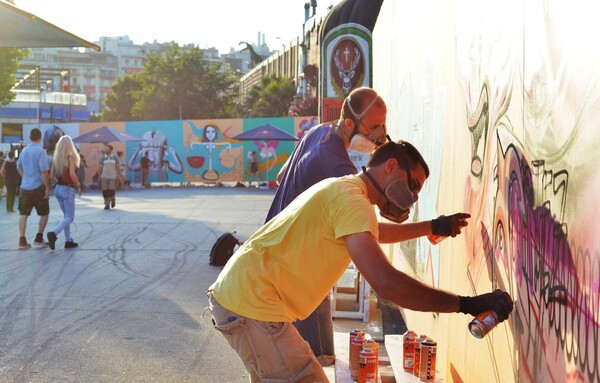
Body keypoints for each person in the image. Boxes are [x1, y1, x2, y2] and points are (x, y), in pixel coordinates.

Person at [207, 140, 514, 382]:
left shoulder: (347, 192)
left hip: (241, 299)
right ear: (391, 167)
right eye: (414, 185)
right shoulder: (353, 201)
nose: (413, 196)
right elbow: (387, 283)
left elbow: (373, 233)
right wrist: (466, 304)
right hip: (254, 306)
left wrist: (431, 227)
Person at [266, 86, 457, 365]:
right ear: (349, 124)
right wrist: (430, 227)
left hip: (278, 257)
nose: (380, 135)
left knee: (293, 362)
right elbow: (372, 232)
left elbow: (282, 175)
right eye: (374, 127)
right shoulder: (340, 171)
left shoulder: (318, 132)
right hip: (295, 271)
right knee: (312, 362)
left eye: (383, 125)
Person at [17, 128, 50, 249]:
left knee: (23, 214)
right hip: (38, 187)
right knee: (45, 213)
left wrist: (25, 176)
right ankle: (39, 238)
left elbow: (18, 167)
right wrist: (47, 188)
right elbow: (44, 172)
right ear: (40, 137)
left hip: (25, 187)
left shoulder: (24, 151)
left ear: (30, 137)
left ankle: (22, 241)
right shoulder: (41, 151)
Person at [47, 135, 82, 250]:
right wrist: (78, 185)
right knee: (70, 218)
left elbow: (51, 176)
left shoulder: (56, 159)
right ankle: (54, 234)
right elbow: (72, 174)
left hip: (58, 189)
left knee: (66, 216)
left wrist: (58, 183)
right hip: (67, 189)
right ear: (70, 145)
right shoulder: (70, 158)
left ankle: (68, 240)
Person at [98, 144, 119, 210]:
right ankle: (107, 204)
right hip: (104, 176)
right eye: (105, 149)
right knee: (104, 190)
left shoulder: (115, 157)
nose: (106, 150)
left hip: (112, 176)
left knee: (111, 190)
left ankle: (113, 200)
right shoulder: (103, 158)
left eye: (107, 149)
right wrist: (99, 176)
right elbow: (100, 168)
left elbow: (118, 167)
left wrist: (118, 174)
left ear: (111, 150)